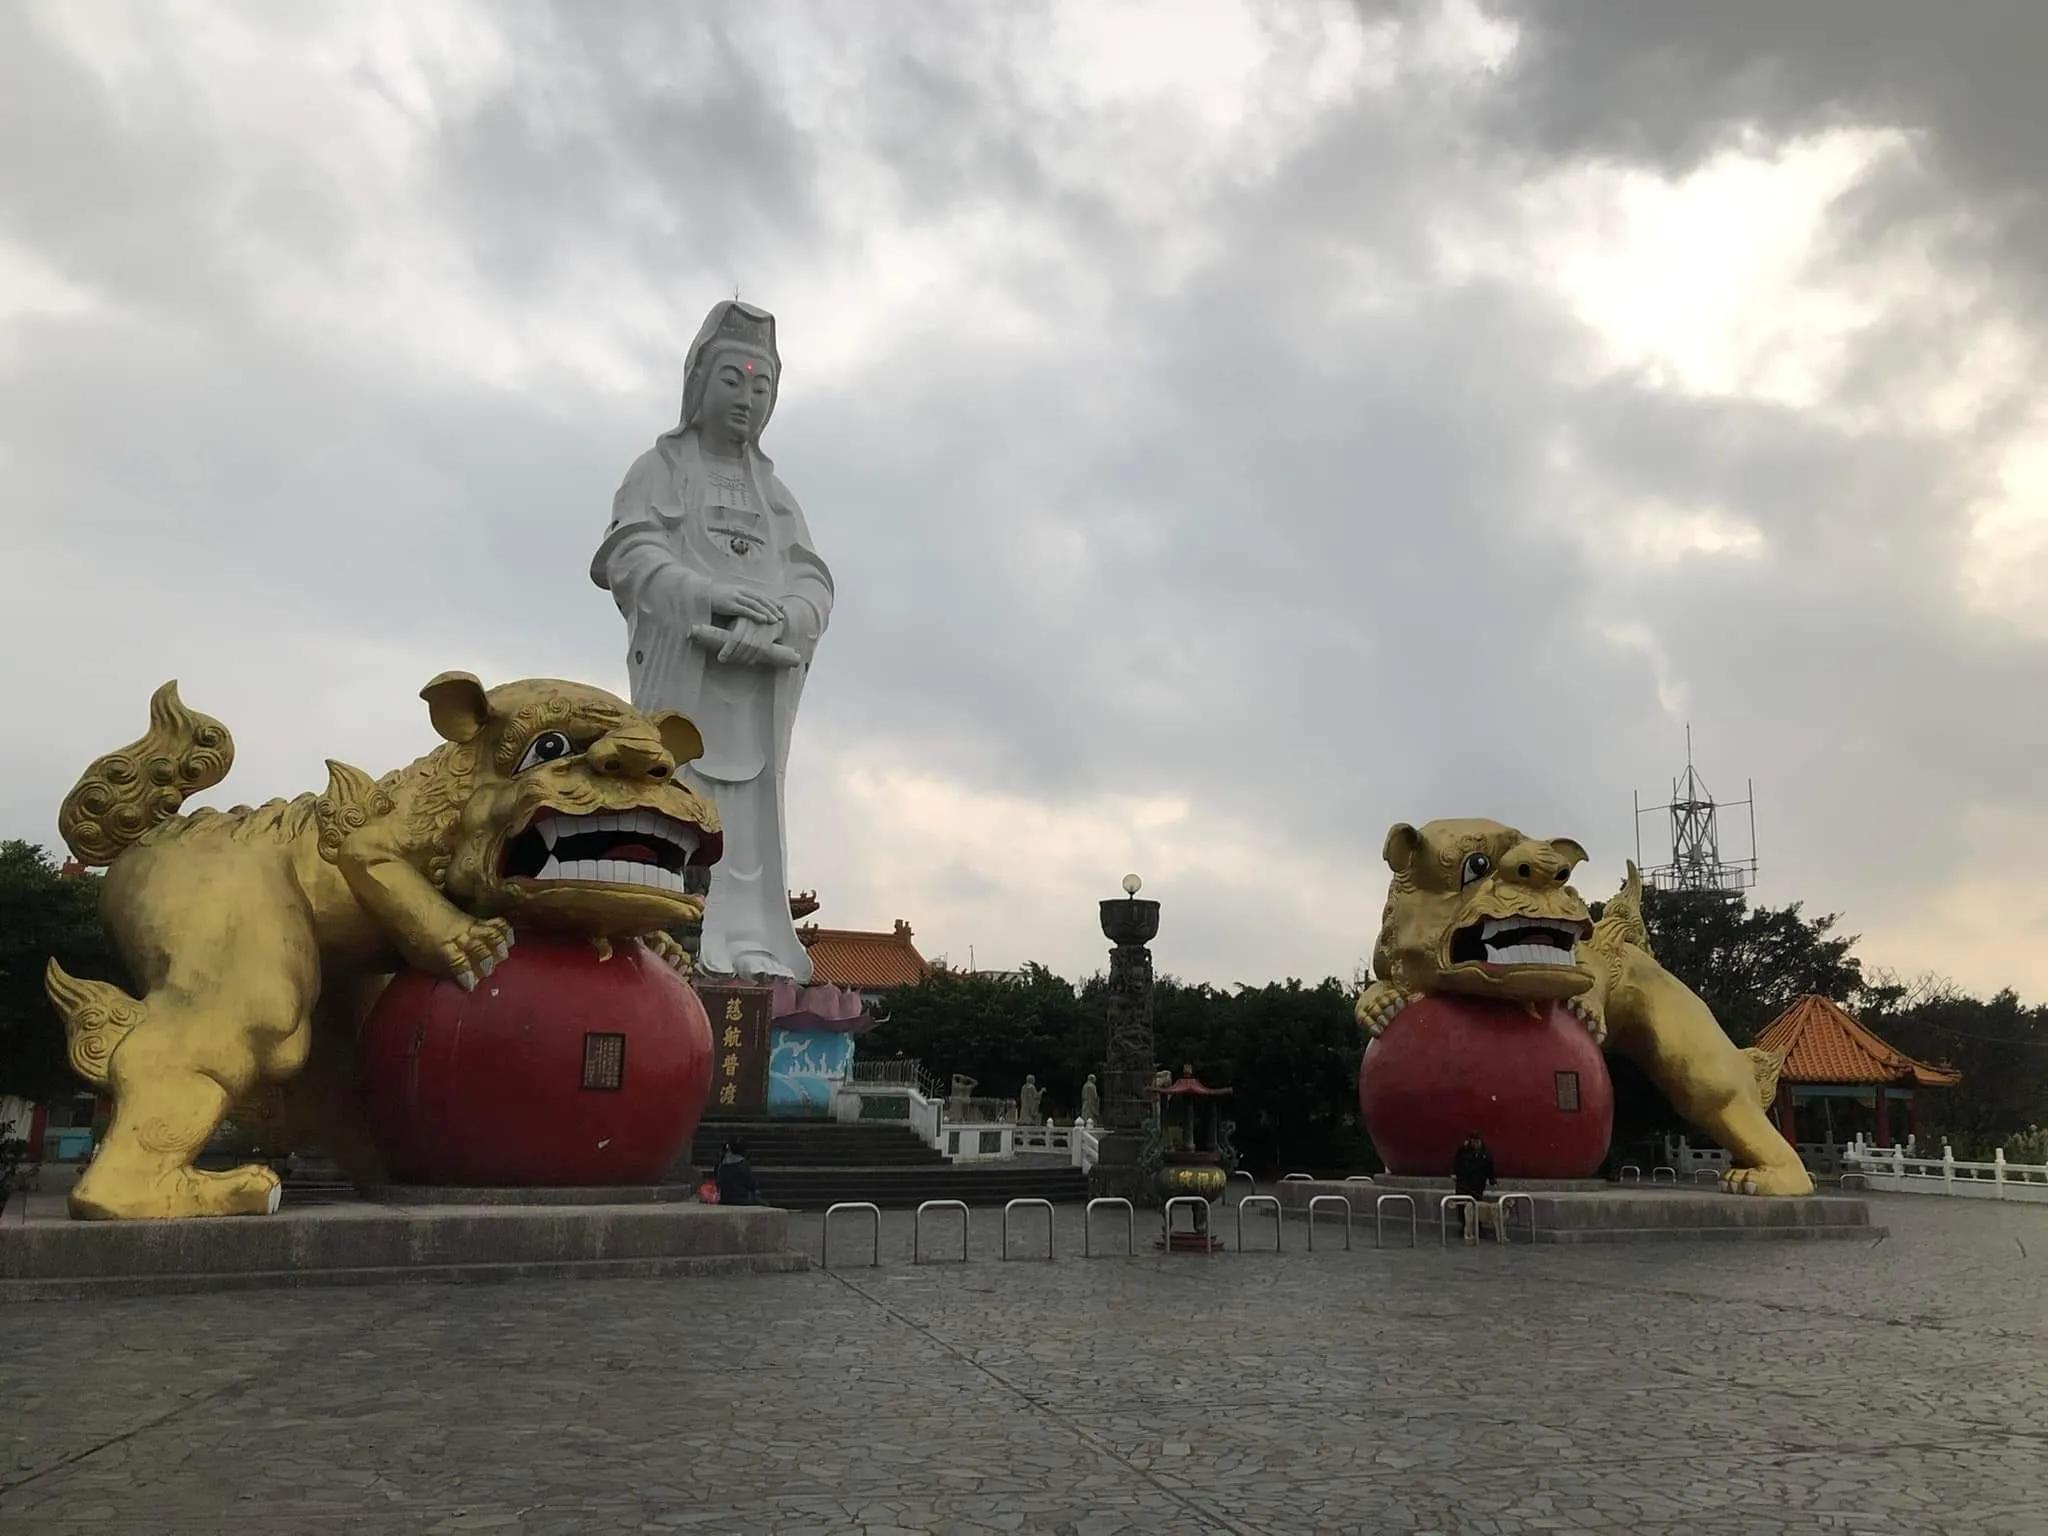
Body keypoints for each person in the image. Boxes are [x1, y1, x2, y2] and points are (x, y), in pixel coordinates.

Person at [591, 299, 834, 983]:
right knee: (679, 796)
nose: (747, 399)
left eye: (762, 387)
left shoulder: (776, 496)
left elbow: (815, 584)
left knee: (751, 821)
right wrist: (709, 596)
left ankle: (751, 940)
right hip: (685, 680)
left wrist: (782, 618)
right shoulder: (660, 468)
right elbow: (630, 555)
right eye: (733, 380)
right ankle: (668, 930)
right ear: (698, 384)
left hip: (756, 690)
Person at [1452, 1129, 1497, 1244]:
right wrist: (1454, 1174)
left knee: (1477, 1206)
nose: (1476, 1143)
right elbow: (1456, 1163)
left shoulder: (1485, 1154)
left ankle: (1477, 1227)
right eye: (1474, 1141)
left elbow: (1489, 1167)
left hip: (1478, 1185)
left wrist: (1492, 1180)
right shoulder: (1463, 1152)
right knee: (1463, 1206)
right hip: (1464, 1184)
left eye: (1477, 1141)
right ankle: (1464, 1227)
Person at [714, 1139, 762, 1206]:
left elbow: (718, 1181)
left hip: (725, 1198)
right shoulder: (742, 1165)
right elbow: (751, 1183)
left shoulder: (722, 1164)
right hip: (740, 1198)